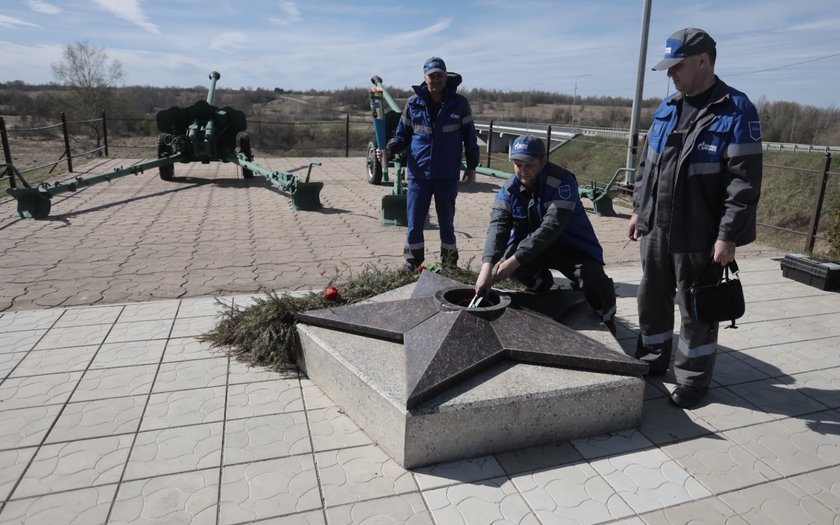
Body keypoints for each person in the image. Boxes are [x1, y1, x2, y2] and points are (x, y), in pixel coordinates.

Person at [627, 28, 762, 408]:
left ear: (703, 60)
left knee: (695, 309)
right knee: (651, 297)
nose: (671, 74)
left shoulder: (736, 110)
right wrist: (639, 208)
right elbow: (646, 165)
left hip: (700, 231)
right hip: (657, 225)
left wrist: (728, 235)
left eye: (677, 66)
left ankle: (692, 381)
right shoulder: (668, 107)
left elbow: (744, 182)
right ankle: (652, 360)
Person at [475, 134, 617, 333]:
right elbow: (498, 226)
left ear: (543, 160)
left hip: (571, 247)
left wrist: (515, 259)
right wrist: (486, 267)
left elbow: (551, 228)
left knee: (592, 277)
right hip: (534, 249)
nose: (522, 171)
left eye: (529, 165)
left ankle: (606, 315)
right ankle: (541, 284)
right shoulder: (509, 189)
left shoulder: (563, 182)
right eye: (517, 164)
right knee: (509, 264)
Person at [377, 57, 480, 270]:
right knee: (414, 223)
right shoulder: (413, 103)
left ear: (445, 76)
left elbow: (469, 137)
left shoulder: (459, 104)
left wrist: (472, 166)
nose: (436, 80)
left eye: (439, 75)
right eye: (431, 76)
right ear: (425, 78)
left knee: (446, 224)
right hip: (419, 175)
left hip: (446, 174)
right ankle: (412, 263)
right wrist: (388, 149)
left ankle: (450, 265)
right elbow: (401, 136)